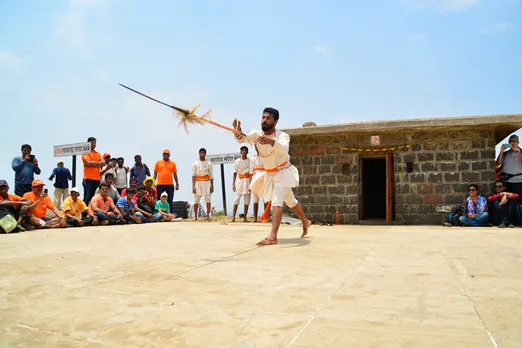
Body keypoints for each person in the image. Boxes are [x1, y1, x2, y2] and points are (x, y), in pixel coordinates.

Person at [232, 107, 312, 245]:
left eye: (268, 118)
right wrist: (237, 131)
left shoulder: (282, 135)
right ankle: (305, 221)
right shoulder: (257, 134)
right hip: (270, 174)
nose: (264, 120)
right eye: (263, 117)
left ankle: (273, 236)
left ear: (275, 121)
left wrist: (270, 141)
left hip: (283, 171)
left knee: (277, 200)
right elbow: (243, 138)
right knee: (291, 200)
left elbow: (284, 148)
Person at [497, 134, 522, 204]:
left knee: (519, 201)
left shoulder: (521, 152)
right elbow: (498, 163)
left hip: (519, 182)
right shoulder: (505, 153)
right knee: (506, 202)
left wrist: (517, 151)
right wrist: (501, 152)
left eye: (514, 141)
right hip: (506, 181)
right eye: (510, 141)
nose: (512, 143)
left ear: (518, 143)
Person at [153, 149, 179, 213]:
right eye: (164, 154)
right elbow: (155, 173)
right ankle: (159, 214)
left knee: (170, 200)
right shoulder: (158, 162)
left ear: (169, 155)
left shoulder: (173, 163)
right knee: (159, 200)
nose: (165, 155)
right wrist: (153, 183)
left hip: (170, 184)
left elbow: (175, 174)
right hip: (160, 184)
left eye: (167, 154)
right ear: (162, 155)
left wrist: (177, 184)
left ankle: (170, 214)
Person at [82, 137, 105, 206]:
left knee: (94, 197)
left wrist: (92, 163)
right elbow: (87, 163)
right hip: (88, 178)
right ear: (88, 143)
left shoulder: (97, 153)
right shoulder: (85, 152)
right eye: (92, 142)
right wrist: (98, 164)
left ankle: (91, 213)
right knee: (87, 197)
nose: (93, 144)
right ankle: (84, 214)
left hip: (96, 178)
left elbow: (103, 163)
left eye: (94, 142)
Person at [192, 148, 214, 221]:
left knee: (208, 199)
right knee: (196, 200)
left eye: (203, 153)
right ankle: (195, 216)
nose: (202, 154)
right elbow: (193, 175)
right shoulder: (195, 163)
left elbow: (211, 176)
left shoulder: (209, 164)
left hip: (207, 182)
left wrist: (212, 186)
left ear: (205, 154)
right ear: (199, 154)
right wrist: (193, 186)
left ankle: (208, 215)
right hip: (198, 182)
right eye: (201, 153)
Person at [232, 146, 252, 222]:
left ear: (247, 152)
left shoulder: (250, 161)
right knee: (236, 199)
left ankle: (245, 218)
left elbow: (251, 173)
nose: (244, 152)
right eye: (242, 150)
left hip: (247, 182)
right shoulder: (237, 161)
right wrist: (233, 184)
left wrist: (251, 184)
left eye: (245, 150)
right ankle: (233, 217)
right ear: (240, 152)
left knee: (247, 200)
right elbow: (234, 172)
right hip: (239, 181)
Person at [250, 145, 266, 223]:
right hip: (255, 178)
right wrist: (250, 184)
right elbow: (250, 172)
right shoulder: (252, 158)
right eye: (256, 147)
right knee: (255, 199)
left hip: (264, 178)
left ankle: (265, 217)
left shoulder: (266, 157)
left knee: (265, 198)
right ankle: (255, 218)